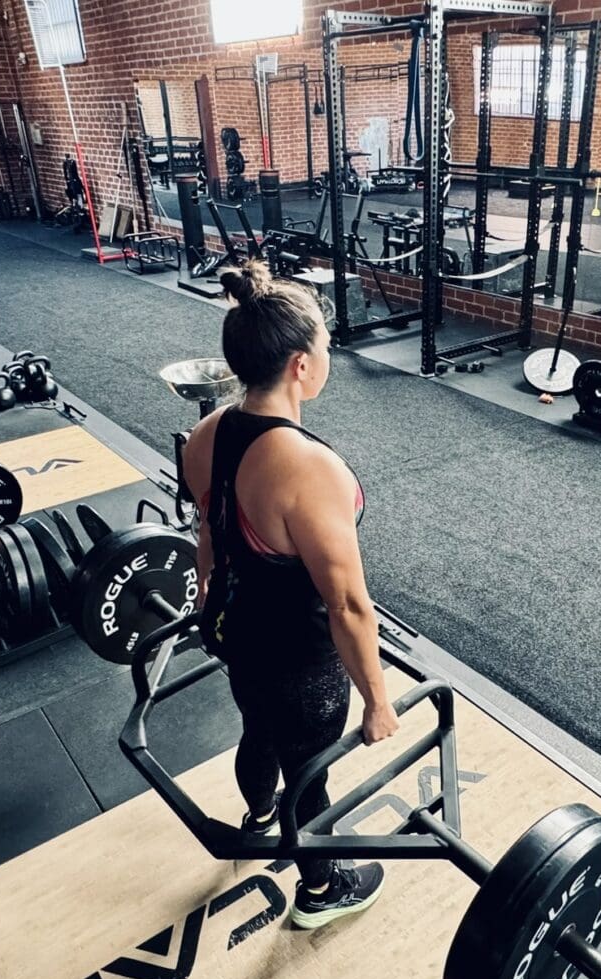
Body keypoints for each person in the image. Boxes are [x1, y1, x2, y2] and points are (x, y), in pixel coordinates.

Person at [181, 260, 396, 929]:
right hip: (300, 661)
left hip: (233, 630)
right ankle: (322, 891)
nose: (328, 357)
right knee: (310, 768)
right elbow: (349, 607)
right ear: (301, 365)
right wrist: (378, 701)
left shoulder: (208, 432)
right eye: (326, 348)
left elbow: (207, 523)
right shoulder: (307, 468)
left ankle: (259, 813)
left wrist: (209, 589)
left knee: (258, 728)